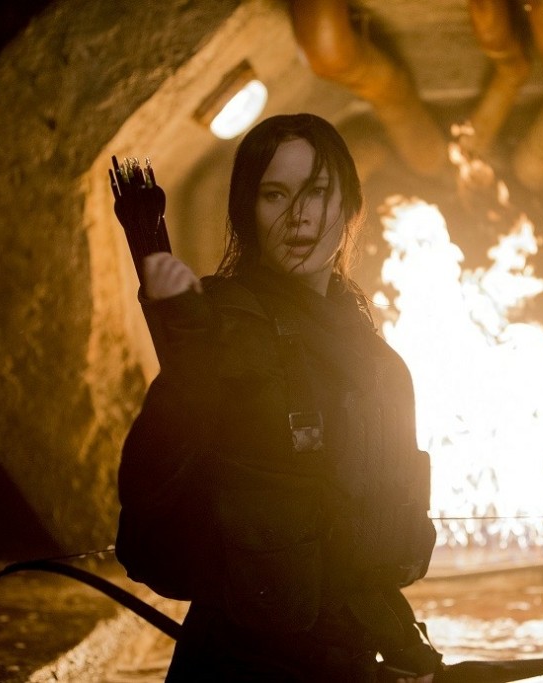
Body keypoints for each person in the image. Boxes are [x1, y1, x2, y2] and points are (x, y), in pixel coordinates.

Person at [115, 113, 441, 682]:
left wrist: (409, 651)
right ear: (248, 212)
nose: (299, 216)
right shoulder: (218, 330)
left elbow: (364, 558)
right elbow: (150, 516)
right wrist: (189, 378)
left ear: (349, 207)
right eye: (275, 195)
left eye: (317, 191)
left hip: (346, 659)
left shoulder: (373, 356)